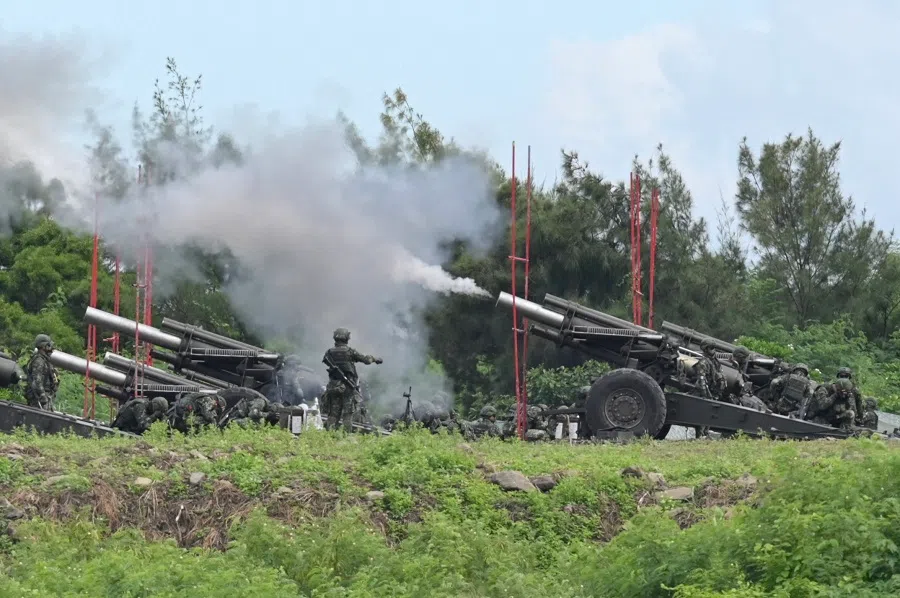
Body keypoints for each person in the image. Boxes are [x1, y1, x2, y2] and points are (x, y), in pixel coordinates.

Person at [321, 328, 382, 431]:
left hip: (334, 386)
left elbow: (326, 361)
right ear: (346, 338)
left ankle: (329, 436)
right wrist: (375, 359)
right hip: (348, 387)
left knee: (333, 414)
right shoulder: (350, 352)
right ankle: (345, 437)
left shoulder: (329, 353)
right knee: (347, 415)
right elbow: (366, 360)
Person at [24, 334, 58, 411]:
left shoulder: (45, 360)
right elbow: (37, 381)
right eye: (48, 345)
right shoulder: (39, 361)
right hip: (39, 400)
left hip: (45, 397)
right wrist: (43, 397)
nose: (51, 347)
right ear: (43, 346)